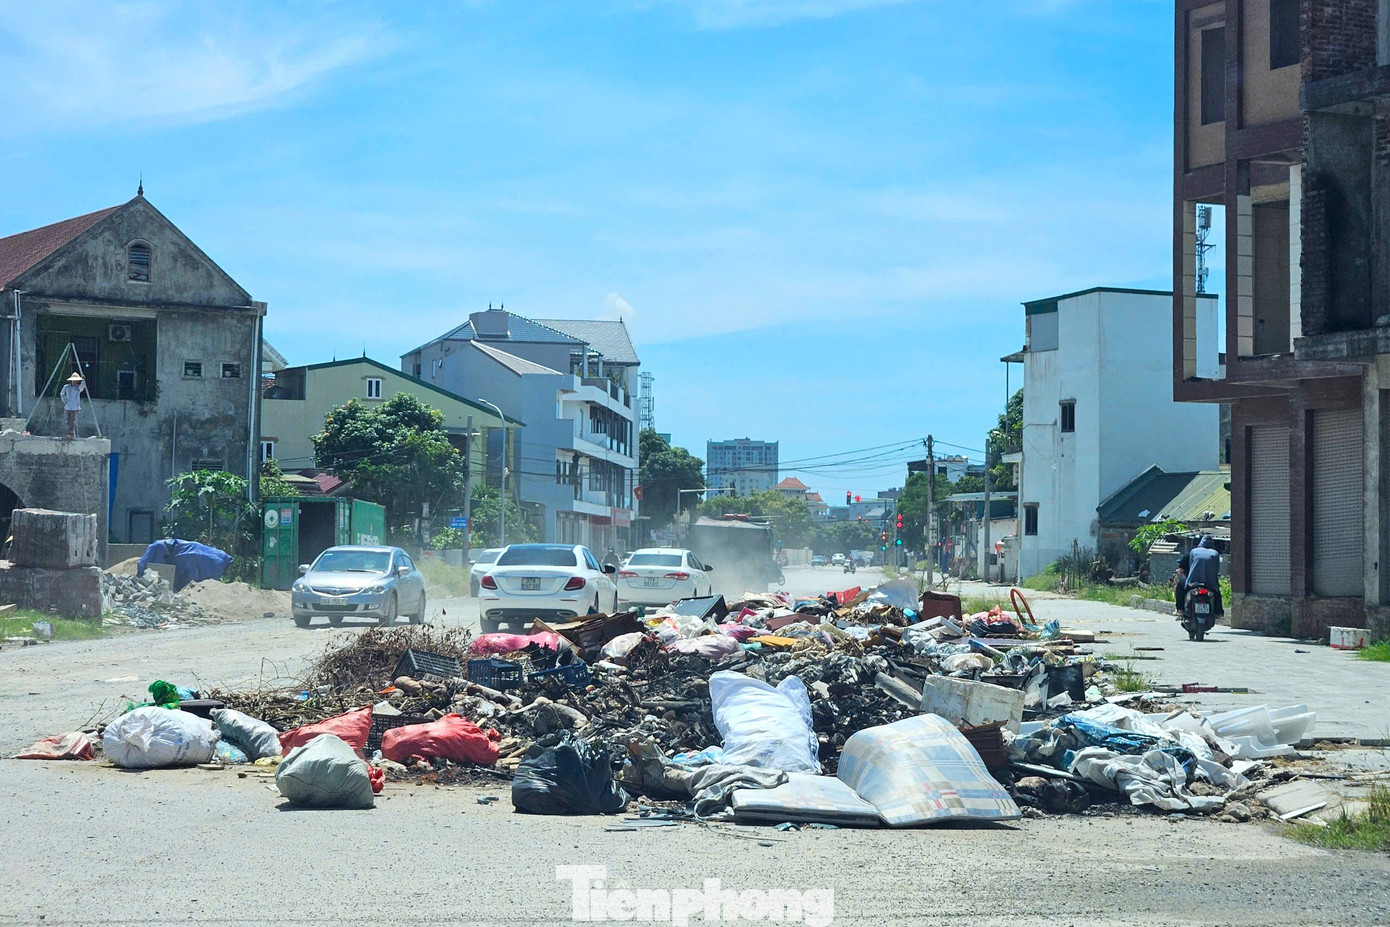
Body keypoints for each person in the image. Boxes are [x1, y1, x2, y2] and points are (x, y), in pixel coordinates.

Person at [1175, 535, 1223, 616]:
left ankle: (1180, 610)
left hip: (1193, 581)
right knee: (1217, 593)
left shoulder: (1193, 552)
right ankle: (1219, 613)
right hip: (1210, 582)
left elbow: (1189, 565)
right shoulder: (1215, 553)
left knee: (1180, 587)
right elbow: (1216, 569)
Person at [60, 372, 84, 438]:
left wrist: (83, 381)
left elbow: (82, 387)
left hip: (75, 407)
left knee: (72, 421)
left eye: (76, 381)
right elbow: (62, 394)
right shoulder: (66, 387)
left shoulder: (78, 388)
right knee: (68, 421)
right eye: (74, 380)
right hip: (68, 407)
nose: (74, 382)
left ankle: (70, 433)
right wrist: (65, 401)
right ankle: (72, 434)